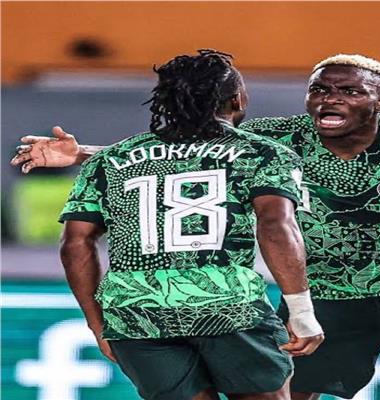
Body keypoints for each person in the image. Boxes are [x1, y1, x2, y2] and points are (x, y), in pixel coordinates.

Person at [11, 53, 380, 400]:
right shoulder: (279, 137)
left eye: (348, 91)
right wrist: (82, 152)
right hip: (330, 292)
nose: (328, 99)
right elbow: (188, 151)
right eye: (320, 89)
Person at [38, 49, 325, 400]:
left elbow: (75, 244)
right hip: (228, 308)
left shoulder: (109, 160)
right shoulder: (263, 154)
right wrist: (301, 311)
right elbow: (276, 226)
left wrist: (99, 325)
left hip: (137, 314)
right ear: (237, 99)